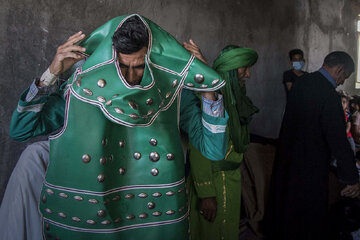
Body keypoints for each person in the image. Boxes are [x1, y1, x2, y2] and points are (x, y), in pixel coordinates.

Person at [1, 14, 229, 240]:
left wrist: (206, 87)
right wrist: (51, 74)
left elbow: (214, 149)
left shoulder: (174, 94)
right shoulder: (83, 92)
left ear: (152, 59)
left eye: (139, 66)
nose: (130, 77)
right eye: (122, 65)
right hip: (94, 220)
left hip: (153, 221)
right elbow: (21, 130)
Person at [266, 51, 360, 240]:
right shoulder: (329, 96)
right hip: (311, 166)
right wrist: (352, 178)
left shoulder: (301, 84)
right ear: (340, 70)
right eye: (345, 77)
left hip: (288, 159)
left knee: (287, 210)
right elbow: (338, 141)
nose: (342, 82)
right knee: (308, 217)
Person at [183, 42, 258, 240]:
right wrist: (207, 193)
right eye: (244, 68)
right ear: (232, 70)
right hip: (212, 182)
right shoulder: (207, 98)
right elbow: (199, 149)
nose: (248, 75)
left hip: (230, 180)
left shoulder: (235, 98)